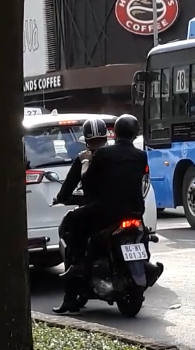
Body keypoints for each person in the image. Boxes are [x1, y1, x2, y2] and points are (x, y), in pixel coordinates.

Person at [57, 115, 148, 282]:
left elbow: (87, 180)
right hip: (135, 210)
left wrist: (85, 162)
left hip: (106, 211)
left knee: (72, 220)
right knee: (143, 230)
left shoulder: (98, 155)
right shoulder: (141, 156)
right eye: (93, 142)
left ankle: (77, 267)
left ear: (113, 134)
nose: (95, 145)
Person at [51, 117, 109, 313]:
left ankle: (73, 283)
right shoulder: (119, 154)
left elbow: (68, 188)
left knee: (70, 225)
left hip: (97, 212)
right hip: (124, 210)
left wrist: (61, 198)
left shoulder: (85, 158)